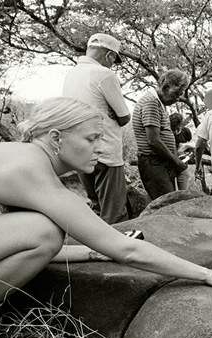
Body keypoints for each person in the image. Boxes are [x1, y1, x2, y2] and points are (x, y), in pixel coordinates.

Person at [0, 97, 212, 307]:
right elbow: (126, 250)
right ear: (55, 138)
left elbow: (15, 244)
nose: (100, 148)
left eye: (100, 138)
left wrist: (93, 252)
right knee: (46, 231)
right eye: (91, 139)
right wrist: (209, 274)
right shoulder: (36, 175)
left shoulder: (17, 153)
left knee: (43, 231)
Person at [62, 33, 130, 224]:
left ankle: (95, 251)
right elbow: (124, 117)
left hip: (79, 150)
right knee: (115, 213)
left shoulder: (72, 74)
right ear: (109, 56)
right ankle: (117, 251)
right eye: (114, 60)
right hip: (106, 150)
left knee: (96, 207)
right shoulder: (104, 74)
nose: (113, 64)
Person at [132, 69, 189, 200]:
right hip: (153, 163)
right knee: (166, 205)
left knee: (169, 202)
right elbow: (153, 140)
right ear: (166, 87)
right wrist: (176, 161)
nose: (177, 98)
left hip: (160, 163)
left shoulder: (158, 103)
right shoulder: (151, 102)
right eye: (176, 93)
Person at [170, 112, 193, 191]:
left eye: (178, 129)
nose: (175, 132)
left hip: (183, 166)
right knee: (171, 193)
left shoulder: (186, 132)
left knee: (183, 192)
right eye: (173, 129)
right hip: (170, 167)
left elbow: (191, 146)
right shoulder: (167, 134)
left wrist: (186, 146)